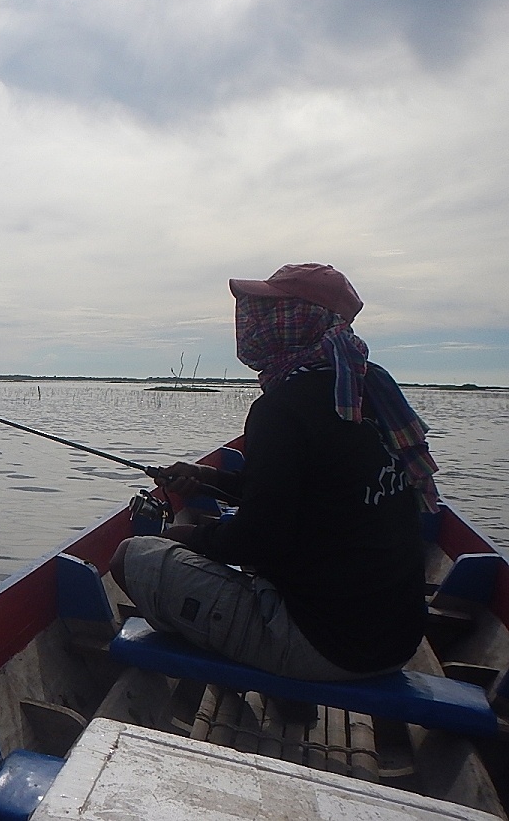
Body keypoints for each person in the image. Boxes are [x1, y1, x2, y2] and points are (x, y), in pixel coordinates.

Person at [109, 263, 437, 681]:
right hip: (396, 642)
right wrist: (208, 478)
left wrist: (183, 536)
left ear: (296, 319)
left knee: (130, 555)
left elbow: (259, 540)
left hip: (328, 648)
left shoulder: (281, 407)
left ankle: (243, 670)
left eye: (268, 309)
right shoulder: (368, 386)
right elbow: (316, 492)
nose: (253, 321)